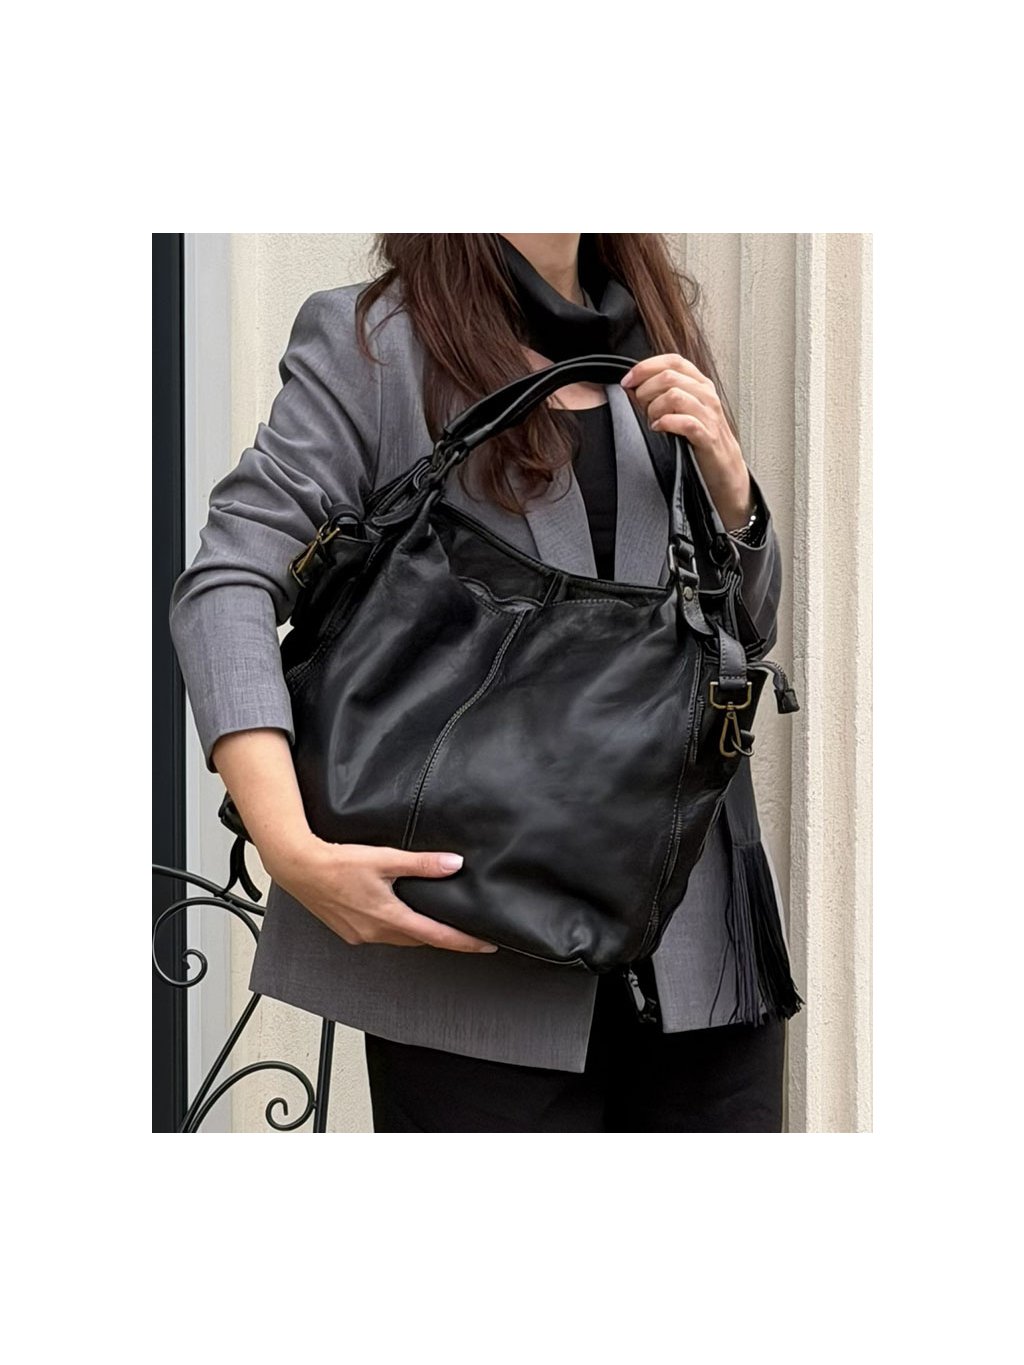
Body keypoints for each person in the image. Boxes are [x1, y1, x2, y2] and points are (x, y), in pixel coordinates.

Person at [169, 233, 802, 1133]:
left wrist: (733, 494)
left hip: (697, 955)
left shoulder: (658, 331)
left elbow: (740, 633)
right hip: (474, 956)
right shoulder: (377, 342)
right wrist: (290, 846)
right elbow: (227, 582)